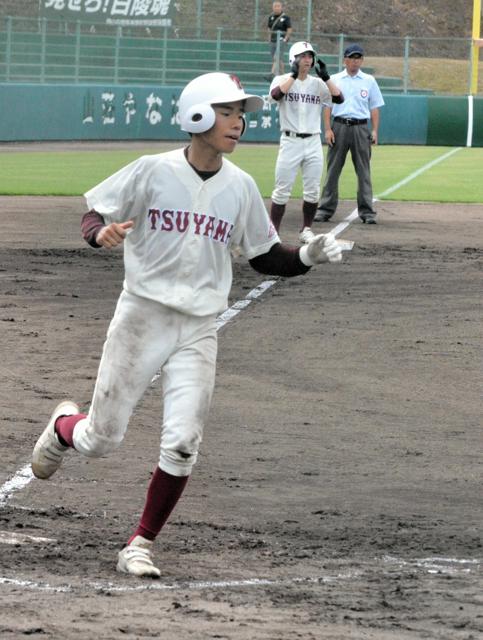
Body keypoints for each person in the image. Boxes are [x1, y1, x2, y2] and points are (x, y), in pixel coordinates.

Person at [31, 72, 344, 579]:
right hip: (141, 317)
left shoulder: (240, 188)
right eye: (228, 111)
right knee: (101, 439)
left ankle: (139, 543)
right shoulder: (152, 171)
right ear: (197, 114)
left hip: (199, 327)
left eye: (242, 113)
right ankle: (64, 430)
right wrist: (99, 235)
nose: (239, 122)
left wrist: (307, 255)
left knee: (182, 443)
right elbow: (95, 212)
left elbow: (264, 256)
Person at [268, 41, 344, 243]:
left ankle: (306, 229)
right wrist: (293, 75)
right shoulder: (282, 79)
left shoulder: (318, 84)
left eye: (310, 56)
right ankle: (273, 232)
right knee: (282, 189)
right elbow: (275, 96)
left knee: (312, 189)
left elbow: (339, 98)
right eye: (303, 56)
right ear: (293, 59)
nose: (308, 60)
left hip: (312, 141)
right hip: (290, 140)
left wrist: (326, 77)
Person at [314, 43, 384, 225]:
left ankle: (367, 212)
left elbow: (374, 107)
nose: (355, 61)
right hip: (339, 126)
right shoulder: (335, 79)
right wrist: (328, 129)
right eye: (352, 57)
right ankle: (325, 210)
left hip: (361, 128)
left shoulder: (369, 80)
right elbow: (328, 107)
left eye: (358, 57)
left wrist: (375, 130)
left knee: (363, 171)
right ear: (345, 60)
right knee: (333, 170)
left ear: (362, 60)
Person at [267, 1, 292, 77]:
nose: (276, 8)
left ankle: (271, 74)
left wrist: (285, 38)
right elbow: (269, 28)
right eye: (275, 6)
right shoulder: (271, 17)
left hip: (281, 40)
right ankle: (283, 75)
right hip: (273, 41)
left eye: (278, 6)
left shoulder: (286, 18)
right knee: (278, 60)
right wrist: (269, 38)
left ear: (281, 7)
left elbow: (289, 29)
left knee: (276, 57)